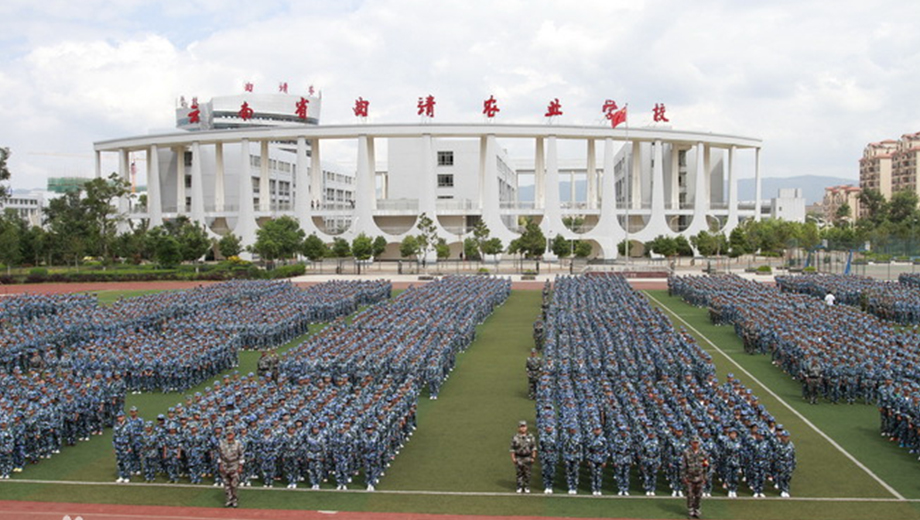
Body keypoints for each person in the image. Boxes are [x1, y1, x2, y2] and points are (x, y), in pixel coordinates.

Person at [681, 436, 709, 519]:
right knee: (690, 494)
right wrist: (684, 476)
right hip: (689, 477)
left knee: (698, 495)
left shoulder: (703, 453)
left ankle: (697, 509)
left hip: (700, 477)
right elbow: (683, 465)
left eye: (697, 443)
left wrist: (705, 477)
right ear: (691, 443)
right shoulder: (686, 452)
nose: (695, 444)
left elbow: (706, 466)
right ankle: (690, 509)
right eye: (694, 442)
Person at [218, 429, 245, 508]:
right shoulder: (222, 443)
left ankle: (234, 500)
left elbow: (241, 455)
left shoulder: (238, 444)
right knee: (226, 484)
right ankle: (229, 499)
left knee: (234, 484)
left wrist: (240, 467)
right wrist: (220, 465)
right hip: (225, 464)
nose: (229, 436)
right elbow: (220, 456)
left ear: (234, 435)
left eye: (231, 434)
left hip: (234, 465)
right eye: (228, 434)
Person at [510, 420, 537, 493]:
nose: (523, 428)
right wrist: (513, 458)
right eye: (521, 427)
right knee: (519, 473)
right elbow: (512, 449)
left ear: (526, 427)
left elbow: (534, 448)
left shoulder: (531, 437)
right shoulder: (515, 437)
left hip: (528, 457)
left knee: (527, 473)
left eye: (524, 427)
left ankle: (526, 486)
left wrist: (533, 457)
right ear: (518, 428)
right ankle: (519, 486)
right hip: (519, 457)